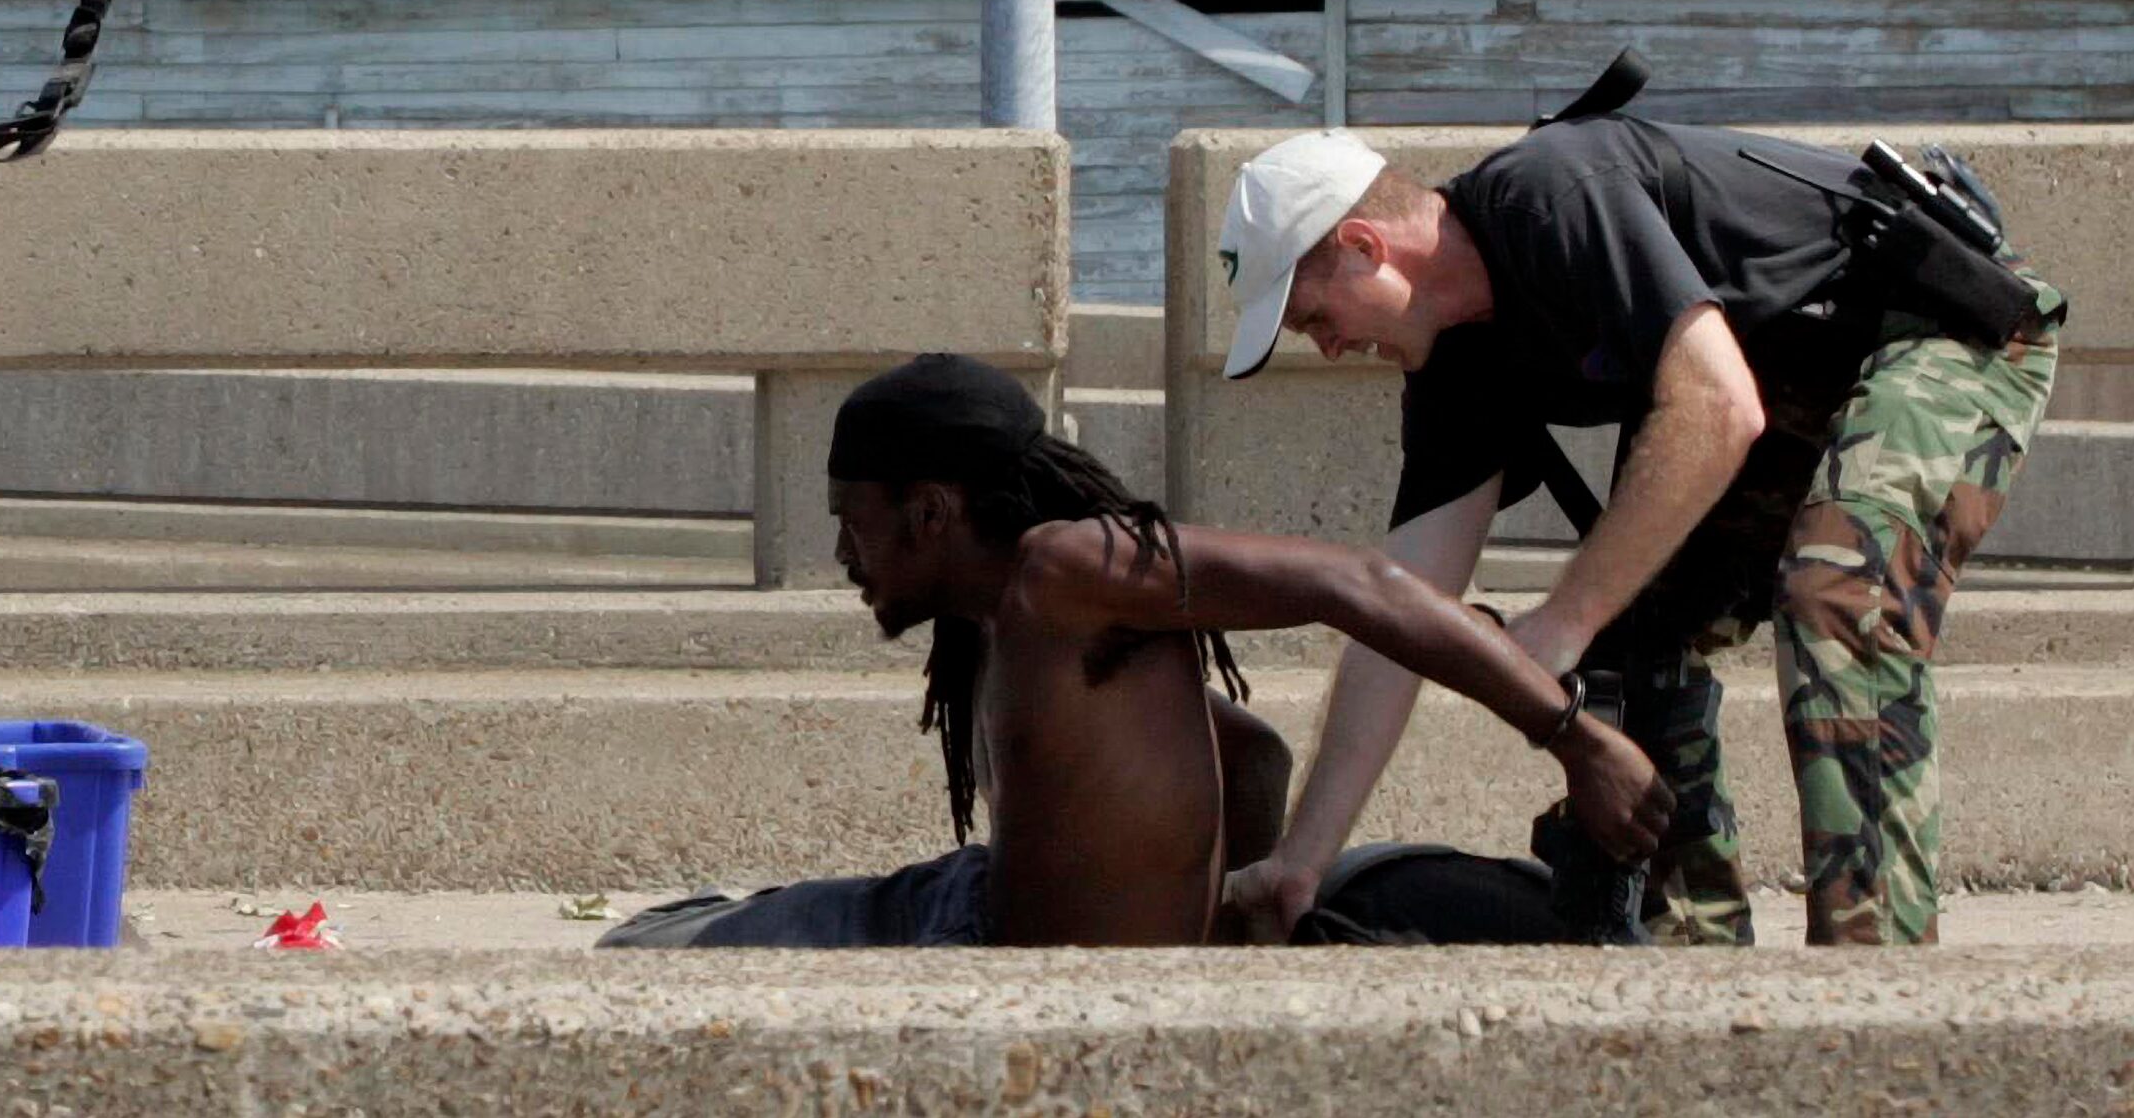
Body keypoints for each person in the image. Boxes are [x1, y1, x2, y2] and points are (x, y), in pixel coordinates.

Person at [1213, 111, 2061, 948]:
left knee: (1837, 589)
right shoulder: (1458, 364)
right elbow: (1398, 614)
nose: (1326, 348)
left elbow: (1716, 406)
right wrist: (1300, 859)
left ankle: (1878, 979)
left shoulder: (1551, 196)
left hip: (1941, 327)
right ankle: (1690, 965)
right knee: (1634, 632)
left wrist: (1561, 620)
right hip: (1787, 375)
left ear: (1364, 247)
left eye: (1315, 319)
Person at [600, 355, 1668, 948]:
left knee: (643, 959)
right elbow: (1247, 750)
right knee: (674, 929)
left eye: (852, 518)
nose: (840, 551)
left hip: (979, 935)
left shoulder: (1061, 572)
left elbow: (1360, 583)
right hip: (970, 900)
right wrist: (1211, 907)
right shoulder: (1016, 610)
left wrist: (1573, 740)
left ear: (928, 513)